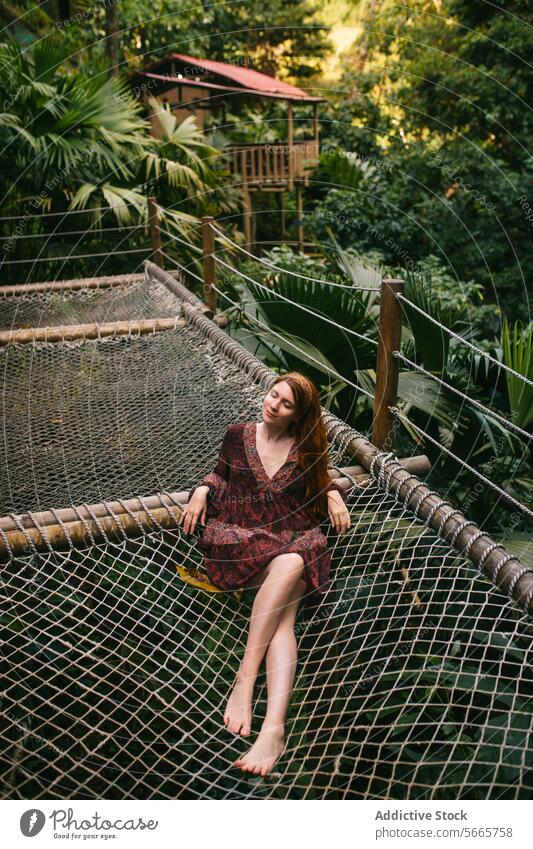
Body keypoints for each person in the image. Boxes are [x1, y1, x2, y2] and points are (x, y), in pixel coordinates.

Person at [179, 371, 350, 776]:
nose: (273, 404)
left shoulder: (305, 449)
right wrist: (202, 490)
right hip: (237, 542)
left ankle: (263, 711)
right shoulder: (237, 435)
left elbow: (322, 480)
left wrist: (332, 493)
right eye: (273, 395)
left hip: (288, 541)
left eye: (285, 403)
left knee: (290, 570)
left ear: (297, 415)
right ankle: (261, 707)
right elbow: (219, 474)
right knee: (289, 580)